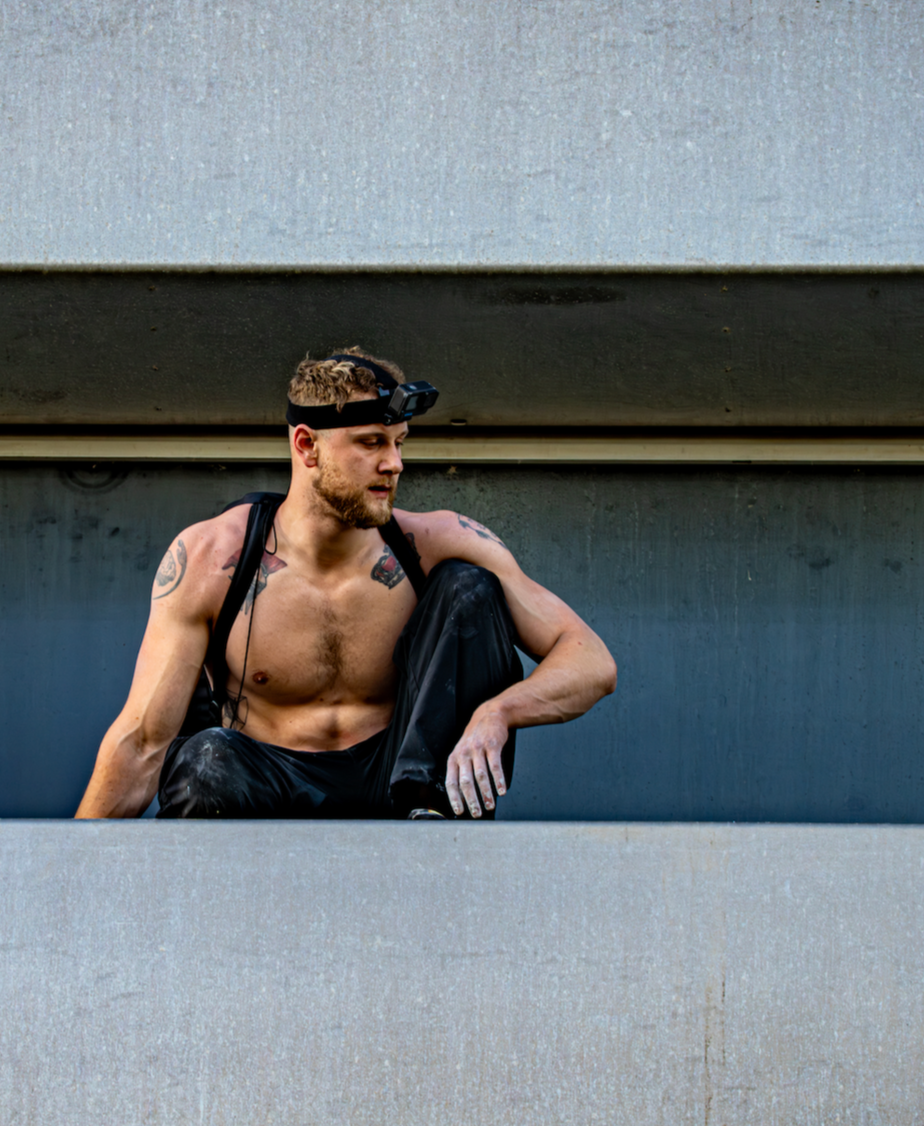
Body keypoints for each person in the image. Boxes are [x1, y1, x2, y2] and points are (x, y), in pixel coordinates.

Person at [75, 348, 616, 820]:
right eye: (372, 443)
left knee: (469, 588)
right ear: (307, 446)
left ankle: (432, 828)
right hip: (266, 792)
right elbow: (142, 742)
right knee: (204, 761)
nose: (394, 464)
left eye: (399, 443)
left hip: (400, 788)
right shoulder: (214, 559)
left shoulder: (438, 543)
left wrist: (499, 710)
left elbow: (591, 661)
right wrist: (66, 879)